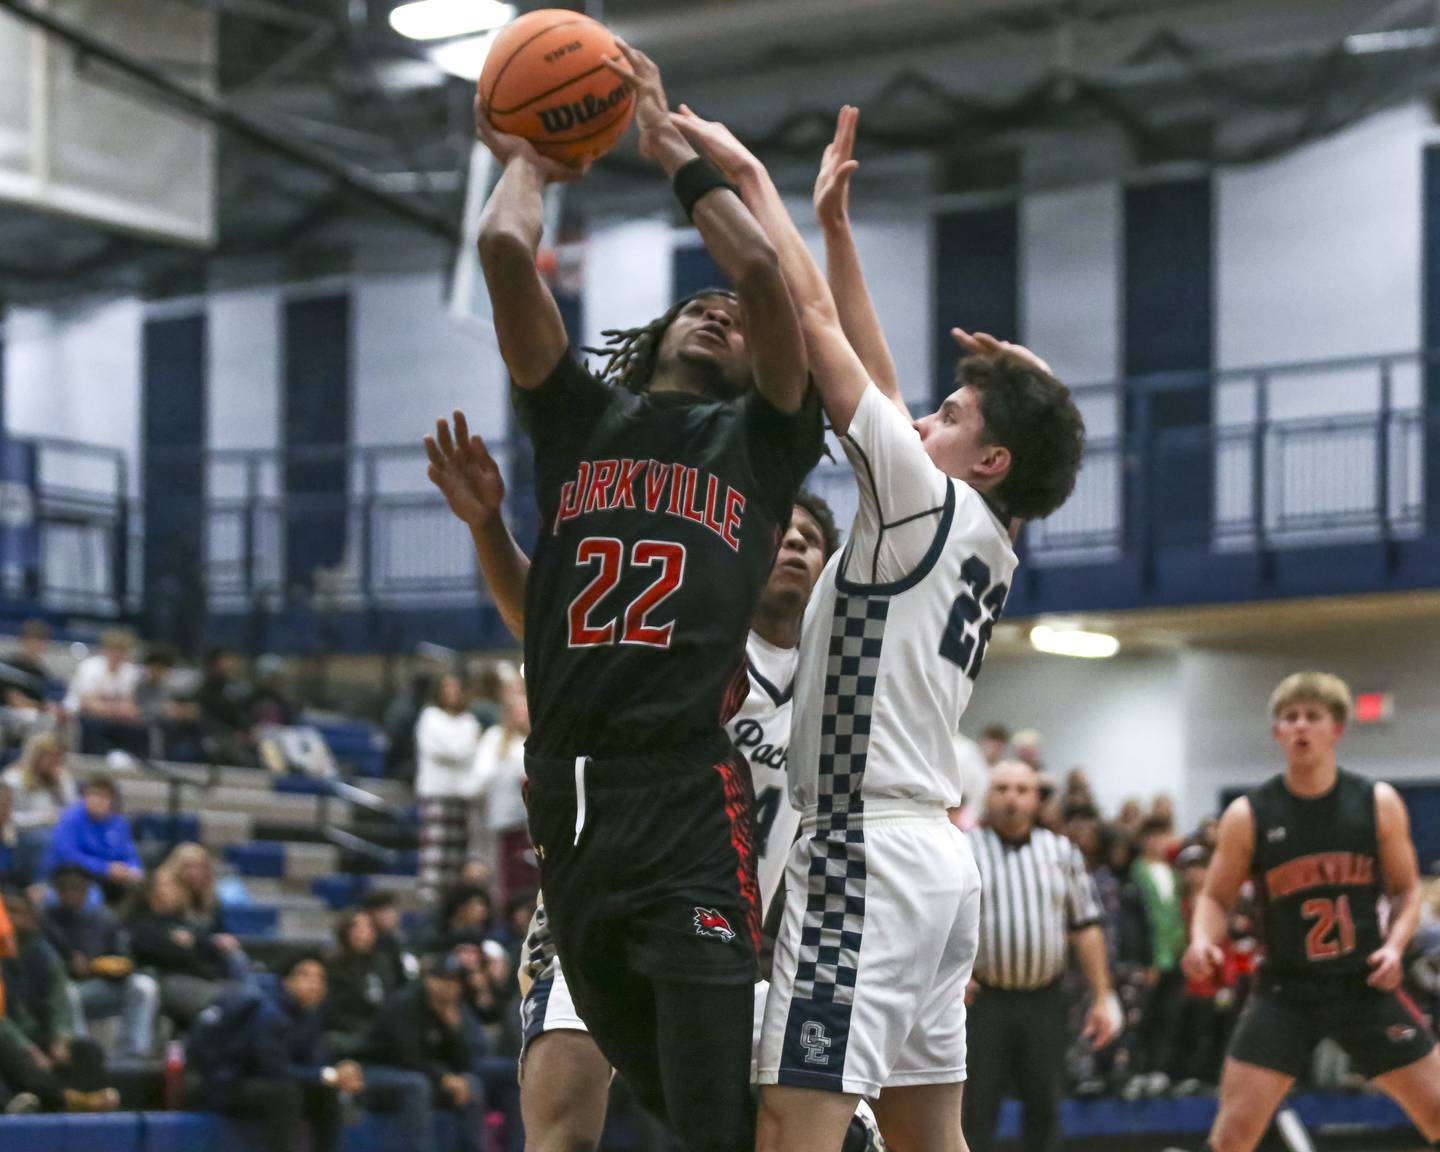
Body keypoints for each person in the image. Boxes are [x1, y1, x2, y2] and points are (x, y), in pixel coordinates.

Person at [667, 103, 1083, 1152]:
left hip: (863, 850)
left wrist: (750, 180)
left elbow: (812, 324)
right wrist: (842, 231)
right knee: (924, 1133)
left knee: (791, 1124)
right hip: (937, 865)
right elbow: (884, 376)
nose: (922, 419)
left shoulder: (924, 502)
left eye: (950, 418)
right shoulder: (987, 529)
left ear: (985, 460)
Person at [429, 38, 817, 1152]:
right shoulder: (581, 421)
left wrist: (674, 156)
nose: (720, 314)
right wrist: (530, 160)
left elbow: (764, 280)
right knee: (650, 1117)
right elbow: (506, 250)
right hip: (565, 797)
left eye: (735, 324)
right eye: (696, 309)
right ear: (653, 333)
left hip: (686, 796)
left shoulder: (762, 442)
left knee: (703, 1120)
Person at [430, 407, 838, 1151]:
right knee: (562, 1126)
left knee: (734, 1131)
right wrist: (488, 527)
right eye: (785, 534)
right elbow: (540, 618)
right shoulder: (687, 635)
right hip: (608, 884)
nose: (796, 548)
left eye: (813, 543)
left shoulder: (834, 683)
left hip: (727, 926)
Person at [1183, 672, 1440, 1152]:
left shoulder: (1375, 802)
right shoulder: (1250, 814)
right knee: (1232, 1138)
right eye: (1290, 717)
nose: (1301, 726)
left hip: (1362, 982)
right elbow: (1215, 898)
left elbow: (1408, 892)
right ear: (1278, 732)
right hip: (1286, 989)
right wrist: (1202, 940)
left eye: (1313, 716)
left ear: (1336, 729)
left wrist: (1394, 946)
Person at [962, 761, 1119, 1152]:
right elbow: (938, 921)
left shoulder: (1061, 852)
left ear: (1036, 798)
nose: (1011, 797)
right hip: (985, 1002)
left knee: (1045, 1108)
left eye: (1021, 789)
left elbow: (1086, 926)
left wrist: (1103, 995)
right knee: (975, 1109)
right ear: (988, 795)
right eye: (1001, 788)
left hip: (1044, 1000)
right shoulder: (964, 848)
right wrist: (950, 975)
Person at [183, 952, 363, 1152]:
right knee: (285, 1093)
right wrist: (327, 1075)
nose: (314, 983)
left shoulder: (309, 1017)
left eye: (320, 978)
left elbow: (314, 1063)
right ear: (286, 981)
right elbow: (272, 1069)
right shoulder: (267, 1012)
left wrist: (338, 1075)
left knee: (325, 1093)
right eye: (305, 975)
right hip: (226, 1086)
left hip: (266, 1085)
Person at [0, 889, 118, 1113]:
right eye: (9, 913)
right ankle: (63, 1099)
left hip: (39, 1032)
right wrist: (27, 1047)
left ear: (32, 917)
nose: (13, 920)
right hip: (11, 1038)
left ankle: (91, 1103)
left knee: (87, 1049)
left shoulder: (43, 954)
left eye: (19, 912)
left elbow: (58, 1000)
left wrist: (61, 1036)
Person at [363, 950, 488, 1152]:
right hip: (378, 1073)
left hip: (423, 1075)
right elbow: (406, 1058)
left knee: (471, 1085)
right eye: (445, 980)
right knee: (417, 1085)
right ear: (429, 981)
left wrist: (452, 1028)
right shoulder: (404, 1005)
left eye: (456, 981)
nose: (452, 987)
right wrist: (444, 1077)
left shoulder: (452, 1009)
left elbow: (464, 1063)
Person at [41, 864, 158, 1059]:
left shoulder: (104, 918)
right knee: (67, 992)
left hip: (104, 984)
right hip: (69, 989)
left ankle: (133, 1052)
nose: (72, 894)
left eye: (77, 888)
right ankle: (83, 1054)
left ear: (86, 890)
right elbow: (43, 965)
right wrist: (69, 966)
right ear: (57, 891)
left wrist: (115, 967)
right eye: (66, 889)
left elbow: (125, 957)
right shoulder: (46, 920)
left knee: (145, 986)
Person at [128, 869, 237, 1026]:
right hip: (168, 981)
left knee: (245, 997)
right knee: (230, 1003)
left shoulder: (181, 921)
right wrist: (190, 946)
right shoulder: (142, 925)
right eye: (168, 885)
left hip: (204, 979)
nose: (175, 889)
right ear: (151, 893)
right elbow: (171, 956)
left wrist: (194, 943)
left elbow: (210, 951)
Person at [1128, 814, 1186, 1096]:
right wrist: (1147, 958)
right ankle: (1139, 1069)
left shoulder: (1174, 872)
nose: (1159, 842)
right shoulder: (1137, 871)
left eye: (1164, 835)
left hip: (1176, 954)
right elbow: (1139, 919)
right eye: (1153, 836)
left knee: (1169, 1015)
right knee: (1145, 1016)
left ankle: (1161, 1070)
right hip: (1151, 955)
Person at [416, 675, 483, 902]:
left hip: (462, 794)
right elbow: (452, 750)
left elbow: (470, 750)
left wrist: (462, 748)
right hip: (436, 792)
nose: (452, 692)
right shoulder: (429, 717)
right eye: (447, 688)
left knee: (458, 853)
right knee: (436, 851)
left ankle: (453, 899)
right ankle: (431, 899)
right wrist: (464, 747)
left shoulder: (469, 720)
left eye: (456, 687)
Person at [471, 672, 531, 902]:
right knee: (506, 875)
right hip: (505, 821)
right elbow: (480, 777)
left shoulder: (539, 740)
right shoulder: (496, 738)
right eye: (517, 708)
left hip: (533, 821)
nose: (521, 714)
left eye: (525, 709)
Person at [44, 775, 143, 900]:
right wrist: (105, 868)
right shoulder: (70, 819)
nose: (97, 801)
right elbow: (68, 855)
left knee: (141, 887)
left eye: (103, 796)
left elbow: (130, 854)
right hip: (73, 877)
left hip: (112, 880)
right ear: (84, 797)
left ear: (112, 801)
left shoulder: (118, 823)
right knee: (93, 897)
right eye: (93, 795)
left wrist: (133, 870)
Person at [324, 908, 400, 1059]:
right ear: (345, 932)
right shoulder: (333, 966)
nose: (365, 932)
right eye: (358, 927)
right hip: (349, 1031)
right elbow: (331, 1012)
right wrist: (368, 1030)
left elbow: (394, 999)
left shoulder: (383, 962)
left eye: (369, 927)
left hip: (383, 1030)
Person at [360, 890, 417, 990]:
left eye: (393, 910)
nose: (393, 915)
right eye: (386, 911)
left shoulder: (399, 941)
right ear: (371, 914)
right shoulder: (366, 944)